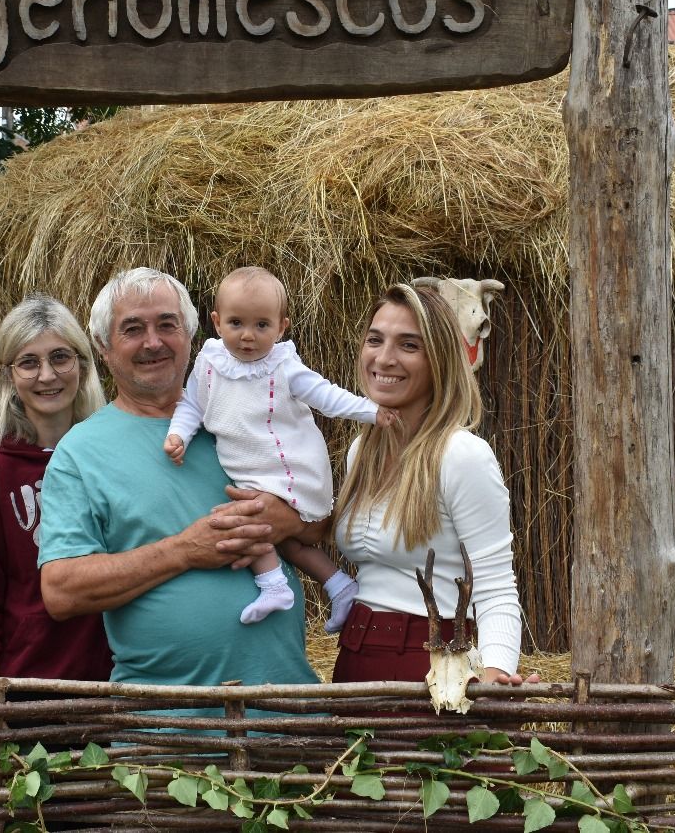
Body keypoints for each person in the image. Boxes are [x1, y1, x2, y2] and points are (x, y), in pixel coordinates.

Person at [37, 267, 319, 691]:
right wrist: (185, 551)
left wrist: (287, 520)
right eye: (132, 329)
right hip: (169, 729)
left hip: (290, 708)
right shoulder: (80, 453)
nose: (153, 342)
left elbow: (328, 522)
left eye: (167, 325)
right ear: (103, 347)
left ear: (192, 333)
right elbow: (61, 591)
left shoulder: (252, 413)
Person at [163, 266, 394, 629]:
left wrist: (371, 410)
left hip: (287, 468)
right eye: (236, 323)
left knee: (248, 521)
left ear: (282, 327)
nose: (248, 336)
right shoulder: (210, 360)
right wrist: (178, 434)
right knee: (285, 540)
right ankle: (340, 585)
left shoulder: (283, 367)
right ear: (217, 321)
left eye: (262, 325)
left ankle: (273, 586)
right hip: (248, 467)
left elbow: (327, 397)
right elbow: (192, 404)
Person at [331, 283, 535, 687]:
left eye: (409, 345)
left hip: (431, 667)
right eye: (375, 340)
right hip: (354, 661)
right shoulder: (361, 451)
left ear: (439, 360)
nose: (384, 358)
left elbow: (494, 585)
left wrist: (495, 673)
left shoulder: (462, 456)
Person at [0, 294, 112, 688]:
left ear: (83, 365)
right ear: (8, 377)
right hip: (30, 696)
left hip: (117, 690)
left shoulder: (110, 461)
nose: (47, 375)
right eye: (28, 362)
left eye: (60, 357)